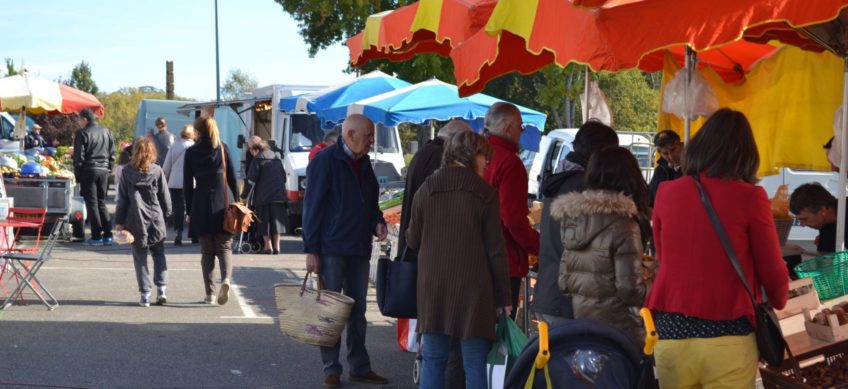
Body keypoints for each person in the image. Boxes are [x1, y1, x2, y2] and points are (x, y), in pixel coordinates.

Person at [645, 109, 789, 388]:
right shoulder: (750, 197)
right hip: (728, 331)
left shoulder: (666, 192)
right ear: (746, 154)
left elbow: (663, 257)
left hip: (670, 332)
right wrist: (780, 300)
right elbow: (772, 269)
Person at [406, 131, 511, 389]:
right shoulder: (485, 193)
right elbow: (496, 251)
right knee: (474, 363)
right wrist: (504, 298)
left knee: (433, 359)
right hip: (474, 291)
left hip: (433, 288)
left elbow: (412, 239)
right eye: (484, 158)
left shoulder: (427, 189)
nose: (487, 164)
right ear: (472, 156)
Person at [302, 114, 389, 388]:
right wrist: (311, 250)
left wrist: (378, 221)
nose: (372, 142)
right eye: (368, 136)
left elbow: (371, 202)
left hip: (359, 247)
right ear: (350, 134)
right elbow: (312, 209)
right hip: (332, 249)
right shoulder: (325, 161)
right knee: (330, 311)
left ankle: (359, 366)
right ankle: (331, 368)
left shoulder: (363, 163)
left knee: (358, 311)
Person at [397, 120, 472, 389]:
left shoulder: (423, 153)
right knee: (448, 351)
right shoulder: (437, 165)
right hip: (439, 263)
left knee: (434, 349)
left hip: (427, 260)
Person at [552, 147, 649, 346]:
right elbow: (630, 290)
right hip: (623, 331)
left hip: (585, 325)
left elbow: (564, 282)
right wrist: (652, 278)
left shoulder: (572, 220)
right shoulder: (624, 225)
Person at [534, 121, 619, 326]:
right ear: (602, 154)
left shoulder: (561, 180)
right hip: (571, 302)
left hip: (549, 294)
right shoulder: (585, 189)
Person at [483, 102, 540, 317]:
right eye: (520, 127)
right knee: (498, 335)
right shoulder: (510, 163)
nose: (521, 132)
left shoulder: (479, 154)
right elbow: (513, 219)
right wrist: (538, 245)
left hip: (477, 256)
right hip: (504, 260)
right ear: (508, 128)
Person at [183, 117, 238, 306]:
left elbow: (187, 184)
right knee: (224, 247)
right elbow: (232, 177)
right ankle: (226, 280)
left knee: (207, 251)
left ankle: (210, 295)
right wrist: (236, 202)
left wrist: (188, 208)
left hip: (201, 204)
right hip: (223, 202)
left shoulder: (191, 152)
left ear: (197, 132)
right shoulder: (222, 148)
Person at [115, 137, 172, 307]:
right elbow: (165, 197)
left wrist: (119, 222)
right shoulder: (157, 171)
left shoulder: (126, 172)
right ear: (152, 153)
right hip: (155, 219)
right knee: (158, 253)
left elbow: (123, 200)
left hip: (135, 220)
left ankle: (145, 294)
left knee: (140, 257)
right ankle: (161, 289)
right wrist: (167, 215)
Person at [73, 108, 115, 246]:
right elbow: (112, 153)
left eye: (79, 119)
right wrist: (109, 169)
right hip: (103, 170)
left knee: (92, 204)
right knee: (101, 202)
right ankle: (108, 235)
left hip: (89, 169)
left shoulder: (83, 133)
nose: (78, 122)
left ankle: (96, 236)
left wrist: (77, 175)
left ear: (85, 119)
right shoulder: (107, 131)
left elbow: (79, 157)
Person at [241, 140, 286, 254]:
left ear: (256, 149)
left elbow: (251, 180)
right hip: (279, 196)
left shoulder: (258, 159)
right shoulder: (276, 159)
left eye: (252, 152)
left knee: (264, 222)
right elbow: (284, 177)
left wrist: (244, 196)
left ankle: (268, 246)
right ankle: (277, 247)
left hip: (263, 196)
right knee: (277, 222)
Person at [162, 125, 195, 246]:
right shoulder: (195, 146)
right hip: (193, 183)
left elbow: (166, 167)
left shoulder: (174, 146)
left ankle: (178, 232)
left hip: (175, 183)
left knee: (178, 209)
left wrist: (164, 181)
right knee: (192, 208)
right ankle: (194, 234)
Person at [790, 182, 845, 254]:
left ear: (822, 210)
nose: (802, 225)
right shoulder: (826, 225)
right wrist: (803, 252)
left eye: (804, 219)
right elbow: (825, 259)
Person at [648, 130, 684, 206]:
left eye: (673, 149)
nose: (671, 156)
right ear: (660, 153)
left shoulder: (692, 167)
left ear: (681, 145)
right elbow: (651, 198)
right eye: (665, 153)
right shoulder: (659, 170)